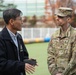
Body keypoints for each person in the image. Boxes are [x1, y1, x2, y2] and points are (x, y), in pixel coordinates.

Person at [0, 8, 37, 75]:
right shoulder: (1, 38)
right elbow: (1, 63)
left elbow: (23, 56)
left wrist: (27, 61)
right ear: (11, 21)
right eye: (20, 19)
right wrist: (21, 65)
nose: (22, 22)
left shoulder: (19, 37)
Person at [47, 7, 76, 75]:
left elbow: (74, 59)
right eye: (57, 16)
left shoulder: (74, 35)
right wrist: (55, 73)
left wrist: (64, 73)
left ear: (68, 19)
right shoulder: (54, 35)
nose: (57, 18)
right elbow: (50, 56)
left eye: (60, 17)